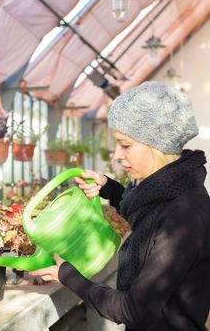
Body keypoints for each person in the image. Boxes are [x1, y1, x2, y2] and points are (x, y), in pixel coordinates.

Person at [30, 81, 210, 331]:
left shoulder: (186, 217)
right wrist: (108, 187)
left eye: (125, 145)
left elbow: (133, 310)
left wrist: (68, 276)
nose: (116, 154)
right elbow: (147, 218)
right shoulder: (169, 192)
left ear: (157, 145)